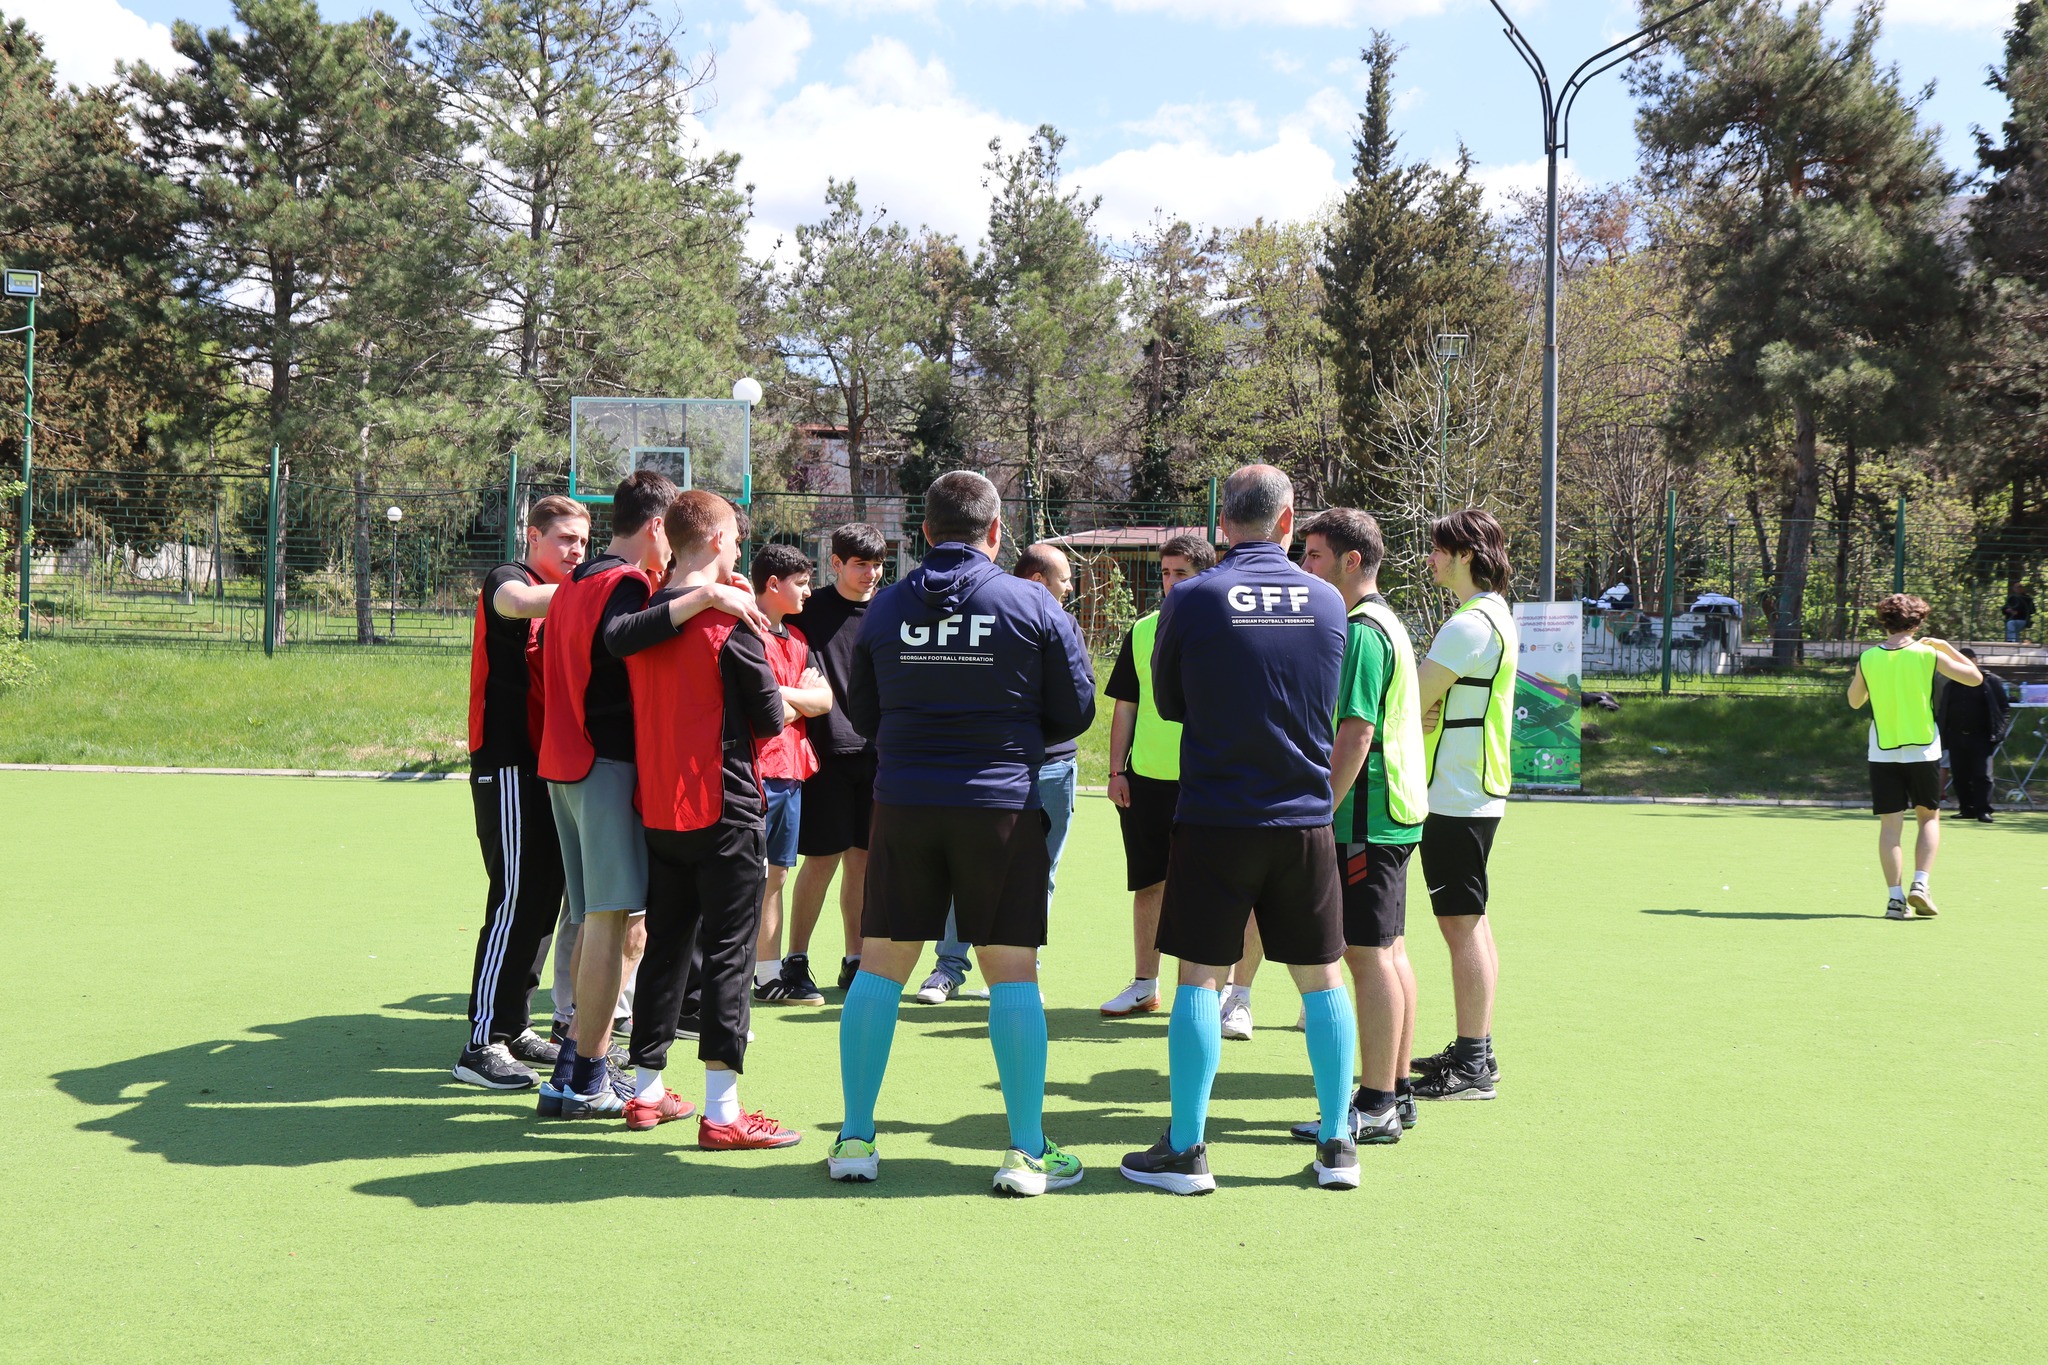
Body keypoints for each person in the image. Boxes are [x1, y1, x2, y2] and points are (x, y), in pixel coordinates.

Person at [828, 471, 1096, 1196]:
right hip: (1000, 806)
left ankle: (855, 1138)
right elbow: (1075, 710)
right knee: (1012, 971)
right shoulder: (1032, 602)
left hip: (905, 803)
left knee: (880, 967)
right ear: (996, 531)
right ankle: (1026, 1150)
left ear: (924, 532)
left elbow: (862, 708)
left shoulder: (885, 606)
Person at [1118, 464, 1359, 1196]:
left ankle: (1187, 1150)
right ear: (1288, 521)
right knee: (1322, 977)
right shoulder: (1328, 599)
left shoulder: (1193, 596)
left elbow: (1169, 701)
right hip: (1305, 818)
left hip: (1216, 815)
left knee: (1197, 976)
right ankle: (1338, 1143)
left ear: (1222, 523)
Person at [534, 472, 765, 1121]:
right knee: (616, 925)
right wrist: (708, 593)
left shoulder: (576, 581)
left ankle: (576, 1064)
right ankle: (586, 1071)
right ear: (659, 527)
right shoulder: (628, 585)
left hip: (567, 764)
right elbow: (622, 636)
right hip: (607, 766)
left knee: (599, 921)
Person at [622, 491, 801, 1147]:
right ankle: (723, 1113)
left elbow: (619, 642)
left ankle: (646, 1091)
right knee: (729, 952)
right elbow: (770, 718)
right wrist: (804, 693)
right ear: (721, 540)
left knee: (666, 946)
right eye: (737, 540)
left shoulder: (647, 614)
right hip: (725, 806)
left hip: (661, 806)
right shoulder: (732, 623)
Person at [1288, 508, 1426, 1148]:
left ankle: (1375, 1104)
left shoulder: (1362, 631)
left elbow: (1356, 731)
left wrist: (1321, 808)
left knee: (1367, 958)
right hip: (1388, 814)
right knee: (1388, 954)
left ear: (1350, 561)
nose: (1303, 566)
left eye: (1314, 554)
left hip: (1364, 818)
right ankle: (1392, 1090)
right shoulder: (1384, 621)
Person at [453, 495, 589, 1090]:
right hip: (507, 761)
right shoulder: (510, 578)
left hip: (549, 765)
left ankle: (512, 1024)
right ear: (533, 537)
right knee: (513, 898)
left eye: (583, 541)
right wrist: (600, 591)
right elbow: (517, 603)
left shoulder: (572, 590)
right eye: (565, 538)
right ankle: (480, 1042)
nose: (576, 550)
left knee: (541, 898)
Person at [915, 541, 1082, 1004]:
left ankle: (1020, 973)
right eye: (1065, 579)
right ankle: (948, 969)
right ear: (1038, 581)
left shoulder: (1064, 624)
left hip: (1052, 769)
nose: (1070, 588)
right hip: (990, 768)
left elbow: (1076, 699)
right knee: (966, 869)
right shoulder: (993, 616)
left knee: (1038, 876)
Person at [1408, 509, 1518, 1103]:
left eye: (1437, 549)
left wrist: (1418, 709)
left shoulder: (1469, 625)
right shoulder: (1491, 615)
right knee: (1470, 919)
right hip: (1470, 787)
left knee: (1461, 923)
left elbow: (1407, 702)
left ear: (1465, 555)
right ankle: (1479, 1050)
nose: (1430, 558)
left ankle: (1473, 1063)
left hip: (1456, 791)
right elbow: (1421, 703)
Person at [1101, 534, 1216, 1017]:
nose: (1170, 582)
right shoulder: (1143, 630)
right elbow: (1126, 706)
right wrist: (1116, 770)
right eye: (1165, 573)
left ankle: (1217, 992)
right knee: (1150, 885)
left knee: (1215, 890)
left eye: (1181, 574)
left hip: (1211, 781)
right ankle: (1145, 984)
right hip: (1147, 781)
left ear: (1206, 576)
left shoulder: (1226, 625)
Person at [783, 524, 888, 1003]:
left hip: (879, 754)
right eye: (860, 564)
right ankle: (795, 960)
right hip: (824, 753)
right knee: (821, 860)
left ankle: (856, 959)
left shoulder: (890, 609)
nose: (871, 574)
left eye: (877, 564)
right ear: (836, 563)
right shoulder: (809, 607)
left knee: (862, 862)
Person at [1849, 594, 1984, 918]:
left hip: (1883, 751)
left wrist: (1869, 678)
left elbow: (1854, 701)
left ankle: (1895, 900)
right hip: (1923, 750)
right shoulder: (1927, 654)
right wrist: (1946, 647)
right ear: (1918, 622)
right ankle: (1920, 884)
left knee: (1890, 827)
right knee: (1928, 819)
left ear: (1883, 621)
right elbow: (1975, 678)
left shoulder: (1868, 657)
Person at [748, 544, 836, 998]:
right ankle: (714, 979)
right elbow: (761, 710)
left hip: (793, 773)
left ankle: (767, 976)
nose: (809, 591)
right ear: (772, 584)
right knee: (744, 879)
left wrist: (782, 695)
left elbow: (824, 701)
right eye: (801, 583)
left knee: (777, 876)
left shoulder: (799, 640)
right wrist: (794, 697)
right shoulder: (746, 632)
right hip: (753, 774)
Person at [1939, 647, 2010, 824]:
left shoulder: (1990, 681)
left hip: (1982, 736)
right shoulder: (1951, 684)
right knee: (1960, 776)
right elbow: (1943, 709)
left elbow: (2004, 708)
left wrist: (2000, 731)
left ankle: (1983, 810)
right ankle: (1966, 809)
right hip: (1955, 736)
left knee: (1983, 775)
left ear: (1974, 661)